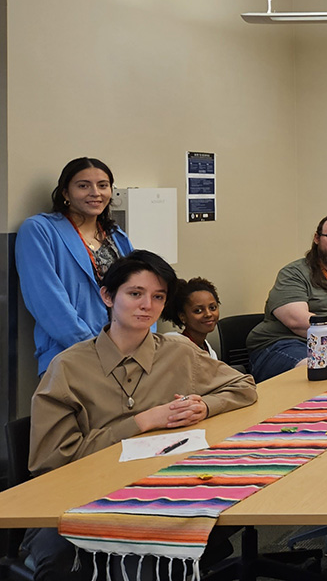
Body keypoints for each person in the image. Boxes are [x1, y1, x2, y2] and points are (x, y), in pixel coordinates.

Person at [25, 250, 257, 579]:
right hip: (80, 499)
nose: (147, 305)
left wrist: (204, 406)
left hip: (162, 491)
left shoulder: (178, 352)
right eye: (135, 294)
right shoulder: (68, 367)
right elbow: (52, 461)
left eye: (158, 297)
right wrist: (143, 421)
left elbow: (244, 387)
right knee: (72, 561)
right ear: (108, 296)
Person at [16, 157, 134, 375]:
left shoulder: (117, 236)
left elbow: (137, 291)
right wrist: (95, 350)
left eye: (103, 185)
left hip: (124, 352)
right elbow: (47, 301)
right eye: (83, 186)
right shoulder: (39, 230)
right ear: (65, 193)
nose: (95, 193)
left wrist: (139, 340)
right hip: (71, 355)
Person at [247, 214, 327, 381]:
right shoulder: (294, 272)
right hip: (292, 344)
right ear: (317, 238)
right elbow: (298, 321)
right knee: (316, 372)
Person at [165, 277, 222, 359]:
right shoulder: (173, 344)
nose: (208, 314)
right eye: (198, 310)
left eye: (212, 308)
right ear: (182, 316)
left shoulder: (208, 349)